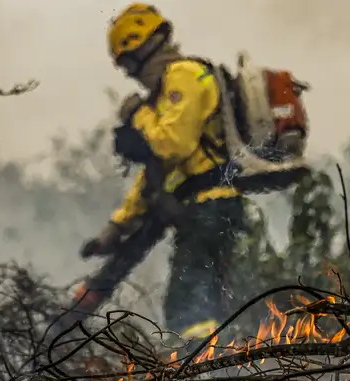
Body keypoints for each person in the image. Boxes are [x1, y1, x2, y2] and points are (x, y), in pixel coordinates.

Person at [79, 3, 246, 343]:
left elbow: (173, 146)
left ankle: (201, 369)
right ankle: (215, 362)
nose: (129, 74)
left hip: (212, 204)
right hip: (203, 206)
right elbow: (156, 171)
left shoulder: (184, 75)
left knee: (187, 305)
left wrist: (138, 115)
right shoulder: (166, 93)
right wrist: (118, 225)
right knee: (204, 300)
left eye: (127, 63)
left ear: (143, 48)